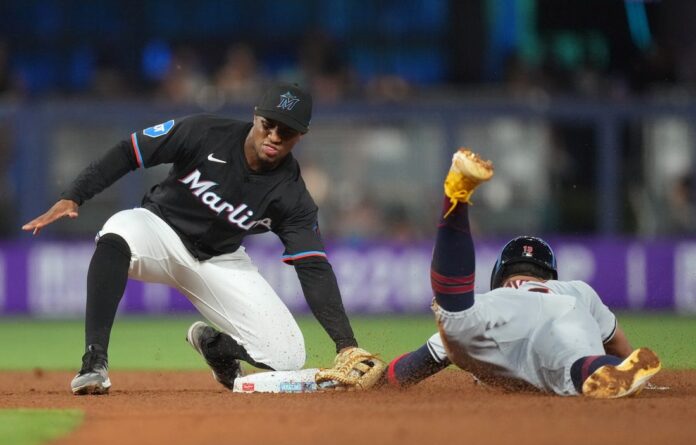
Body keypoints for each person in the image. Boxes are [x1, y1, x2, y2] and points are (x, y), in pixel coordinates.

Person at [23, 82, 370, 395]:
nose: (275, 136)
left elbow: (313, 268)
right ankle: (94, 362)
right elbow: (130, 151)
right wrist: (74, 196)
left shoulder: (293, 197)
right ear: (255, 117)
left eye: (287, 131)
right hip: (160, 231)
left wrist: (346, 344)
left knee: (289, 355)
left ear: (301, 136)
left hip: (221, 259)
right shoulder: (205, 132)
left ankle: (214, 347)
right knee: (117, 231)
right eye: (269, 124)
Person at [383, 149, 662, 398]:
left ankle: (455, 197)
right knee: (574, 364)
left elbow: (408, 370)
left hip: (504, 315)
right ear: (549, 274)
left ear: (499, 275)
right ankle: (611, 369)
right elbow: (616, 342)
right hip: (567, 313)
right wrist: (628, 365)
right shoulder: (577, 289)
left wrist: (383, 378)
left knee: (455, 312)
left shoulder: (494, 299)